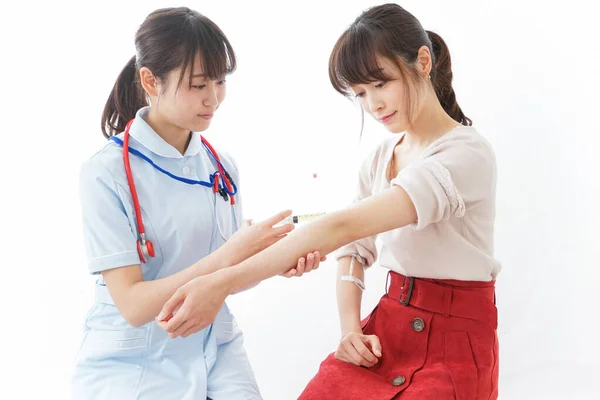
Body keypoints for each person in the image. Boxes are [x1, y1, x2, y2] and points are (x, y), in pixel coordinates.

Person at [156, 3, 500, 399]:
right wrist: (351, 329)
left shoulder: (465, 154)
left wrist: (221, 283)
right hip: (388, 329)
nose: (374, 105)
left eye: (382, 83)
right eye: (361, 93)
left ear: (423, 61)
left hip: (455, 344)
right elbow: (354, 249)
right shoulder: (380, 158)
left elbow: (342, 228)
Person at [71, 7, 323, 400]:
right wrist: (231, 256)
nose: (214, 99)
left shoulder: (222, 166)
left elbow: (229, 276)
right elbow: (134, 306)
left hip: (215, 346)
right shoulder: (105, 174)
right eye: (198, 84)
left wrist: (275, 260)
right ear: (150, 81)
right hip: (134, 360)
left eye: (220, 82)